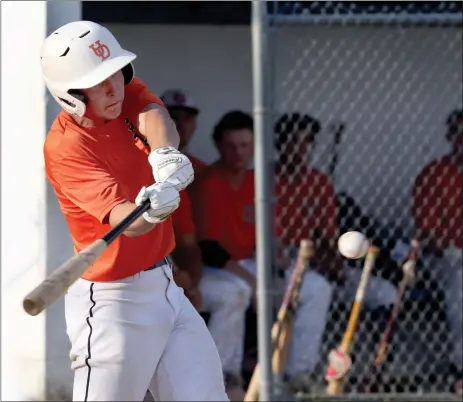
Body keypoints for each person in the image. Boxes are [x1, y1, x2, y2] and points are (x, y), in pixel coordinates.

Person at [42, 20, 228, 401]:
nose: (113, 87)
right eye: (98, 81)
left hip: (166, 288)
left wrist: (164, 155)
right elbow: (127, 220)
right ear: (71, 95)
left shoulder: (121, 92)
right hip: (112, 304)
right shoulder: (66, 148)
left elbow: (155, 117)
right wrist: (152, 211)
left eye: (115, 74)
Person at [190, 110, 397, 393]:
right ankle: (224, 374)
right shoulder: (209, 183)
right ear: (218, 146)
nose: (238, 153)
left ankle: (297, 373)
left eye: (244, 145)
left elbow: (268, 234)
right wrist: (255, 281)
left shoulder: (256, 181)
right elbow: (209, 249)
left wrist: (279, 259)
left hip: (251, 263)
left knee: (315, 286)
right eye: (230, 146)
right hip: (218, 268)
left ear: (254, 147)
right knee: (238, 290)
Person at [412, 109, 463, 395]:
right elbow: (428, 237)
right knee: (461, 277)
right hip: (443, 259)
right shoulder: (433, 174)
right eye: (459, 133)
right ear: (450, 136)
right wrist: (450, 246)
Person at [161, 89, 207, 175]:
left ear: (194, 125)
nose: (181, 124)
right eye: (173, 117)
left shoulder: (203, 172)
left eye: (187, 118)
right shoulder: (141, 165)